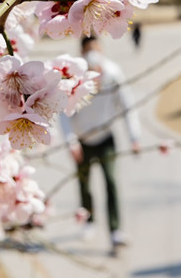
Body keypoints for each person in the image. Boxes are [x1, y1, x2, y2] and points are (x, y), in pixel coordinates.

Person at [60, 36, 141, 250]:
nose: (92, 53)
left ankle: (115, 230)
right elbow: (64, 114)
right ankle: (89, 221)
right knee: (84, 184)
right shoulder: (72, 79)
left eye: (96, 48)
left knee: (111, 181)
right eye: (88, 50)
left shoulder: (113, 74)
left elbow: (127, 104)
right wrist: (71, 142)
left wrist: (135, 136)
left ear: (102, 50)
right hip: (82, 140)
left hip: (106, 138)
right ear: (81, 53)